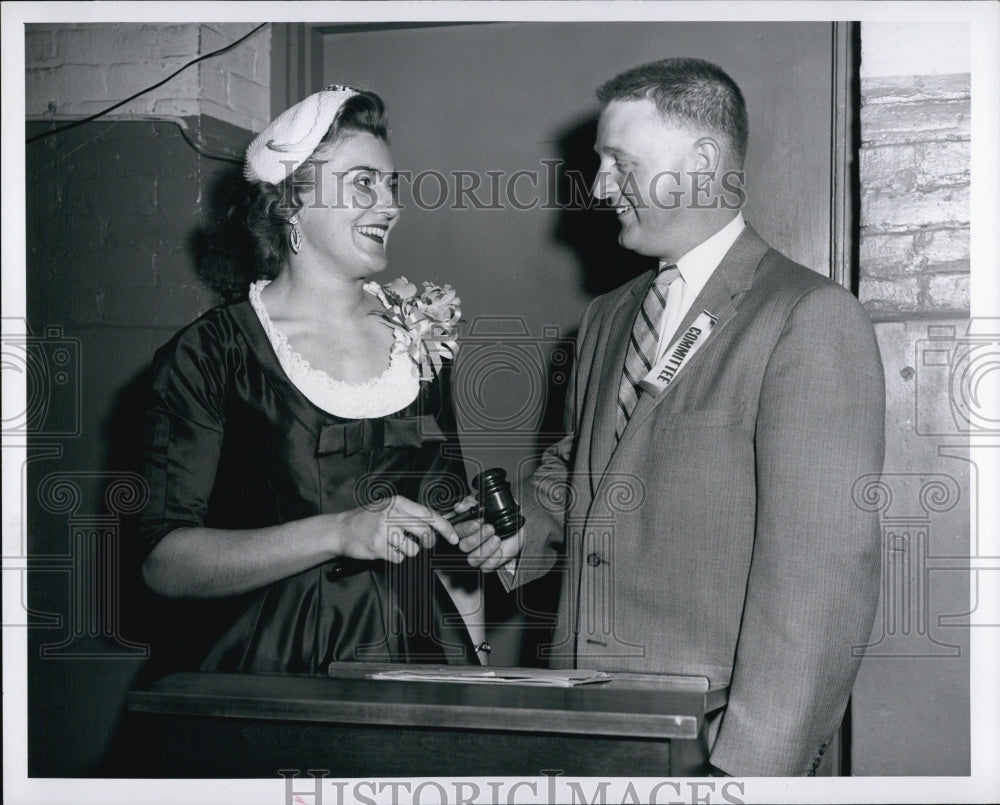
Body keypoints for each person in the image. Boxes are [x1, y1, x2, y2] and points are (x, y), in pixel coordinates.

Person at [459, 58, 886, 776]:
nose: (599, 187)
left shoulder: (808, 318)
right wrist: (525, 521)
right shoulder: (606, 318)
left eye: (620, 163)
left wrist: (744, 771)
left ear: (703, 161)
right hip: (582, 726)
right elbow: (586, 467)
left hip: (708, 747)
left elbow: (822, 587)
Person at [137, 85, 483, 675]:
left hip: (420, 664)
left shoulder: (423, 340)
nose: (390, 203)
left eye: (390, 184)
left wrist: (479, 661)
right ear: (292, 202)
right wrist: (338, 531)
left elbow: (451, 543)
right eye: (363, 182)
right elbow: (165, 564)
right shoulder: (211, 353)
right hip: (266, 665)